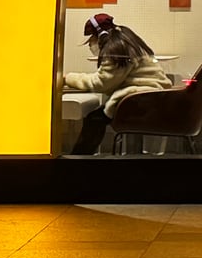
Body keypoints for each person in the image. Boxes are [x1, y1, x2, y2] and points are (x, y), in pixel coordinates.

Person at [62, 12, 174, 154]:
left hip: (138, 99)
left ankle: (78, 162)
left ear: (99, 36)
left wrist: (68, 79)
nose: (91, 43)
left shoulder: (116, 48)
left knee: (94, 120)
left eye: (92, 38)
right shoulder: (126, 37)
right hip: (152, 96)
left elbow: (101, 83)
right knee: (96, 118)